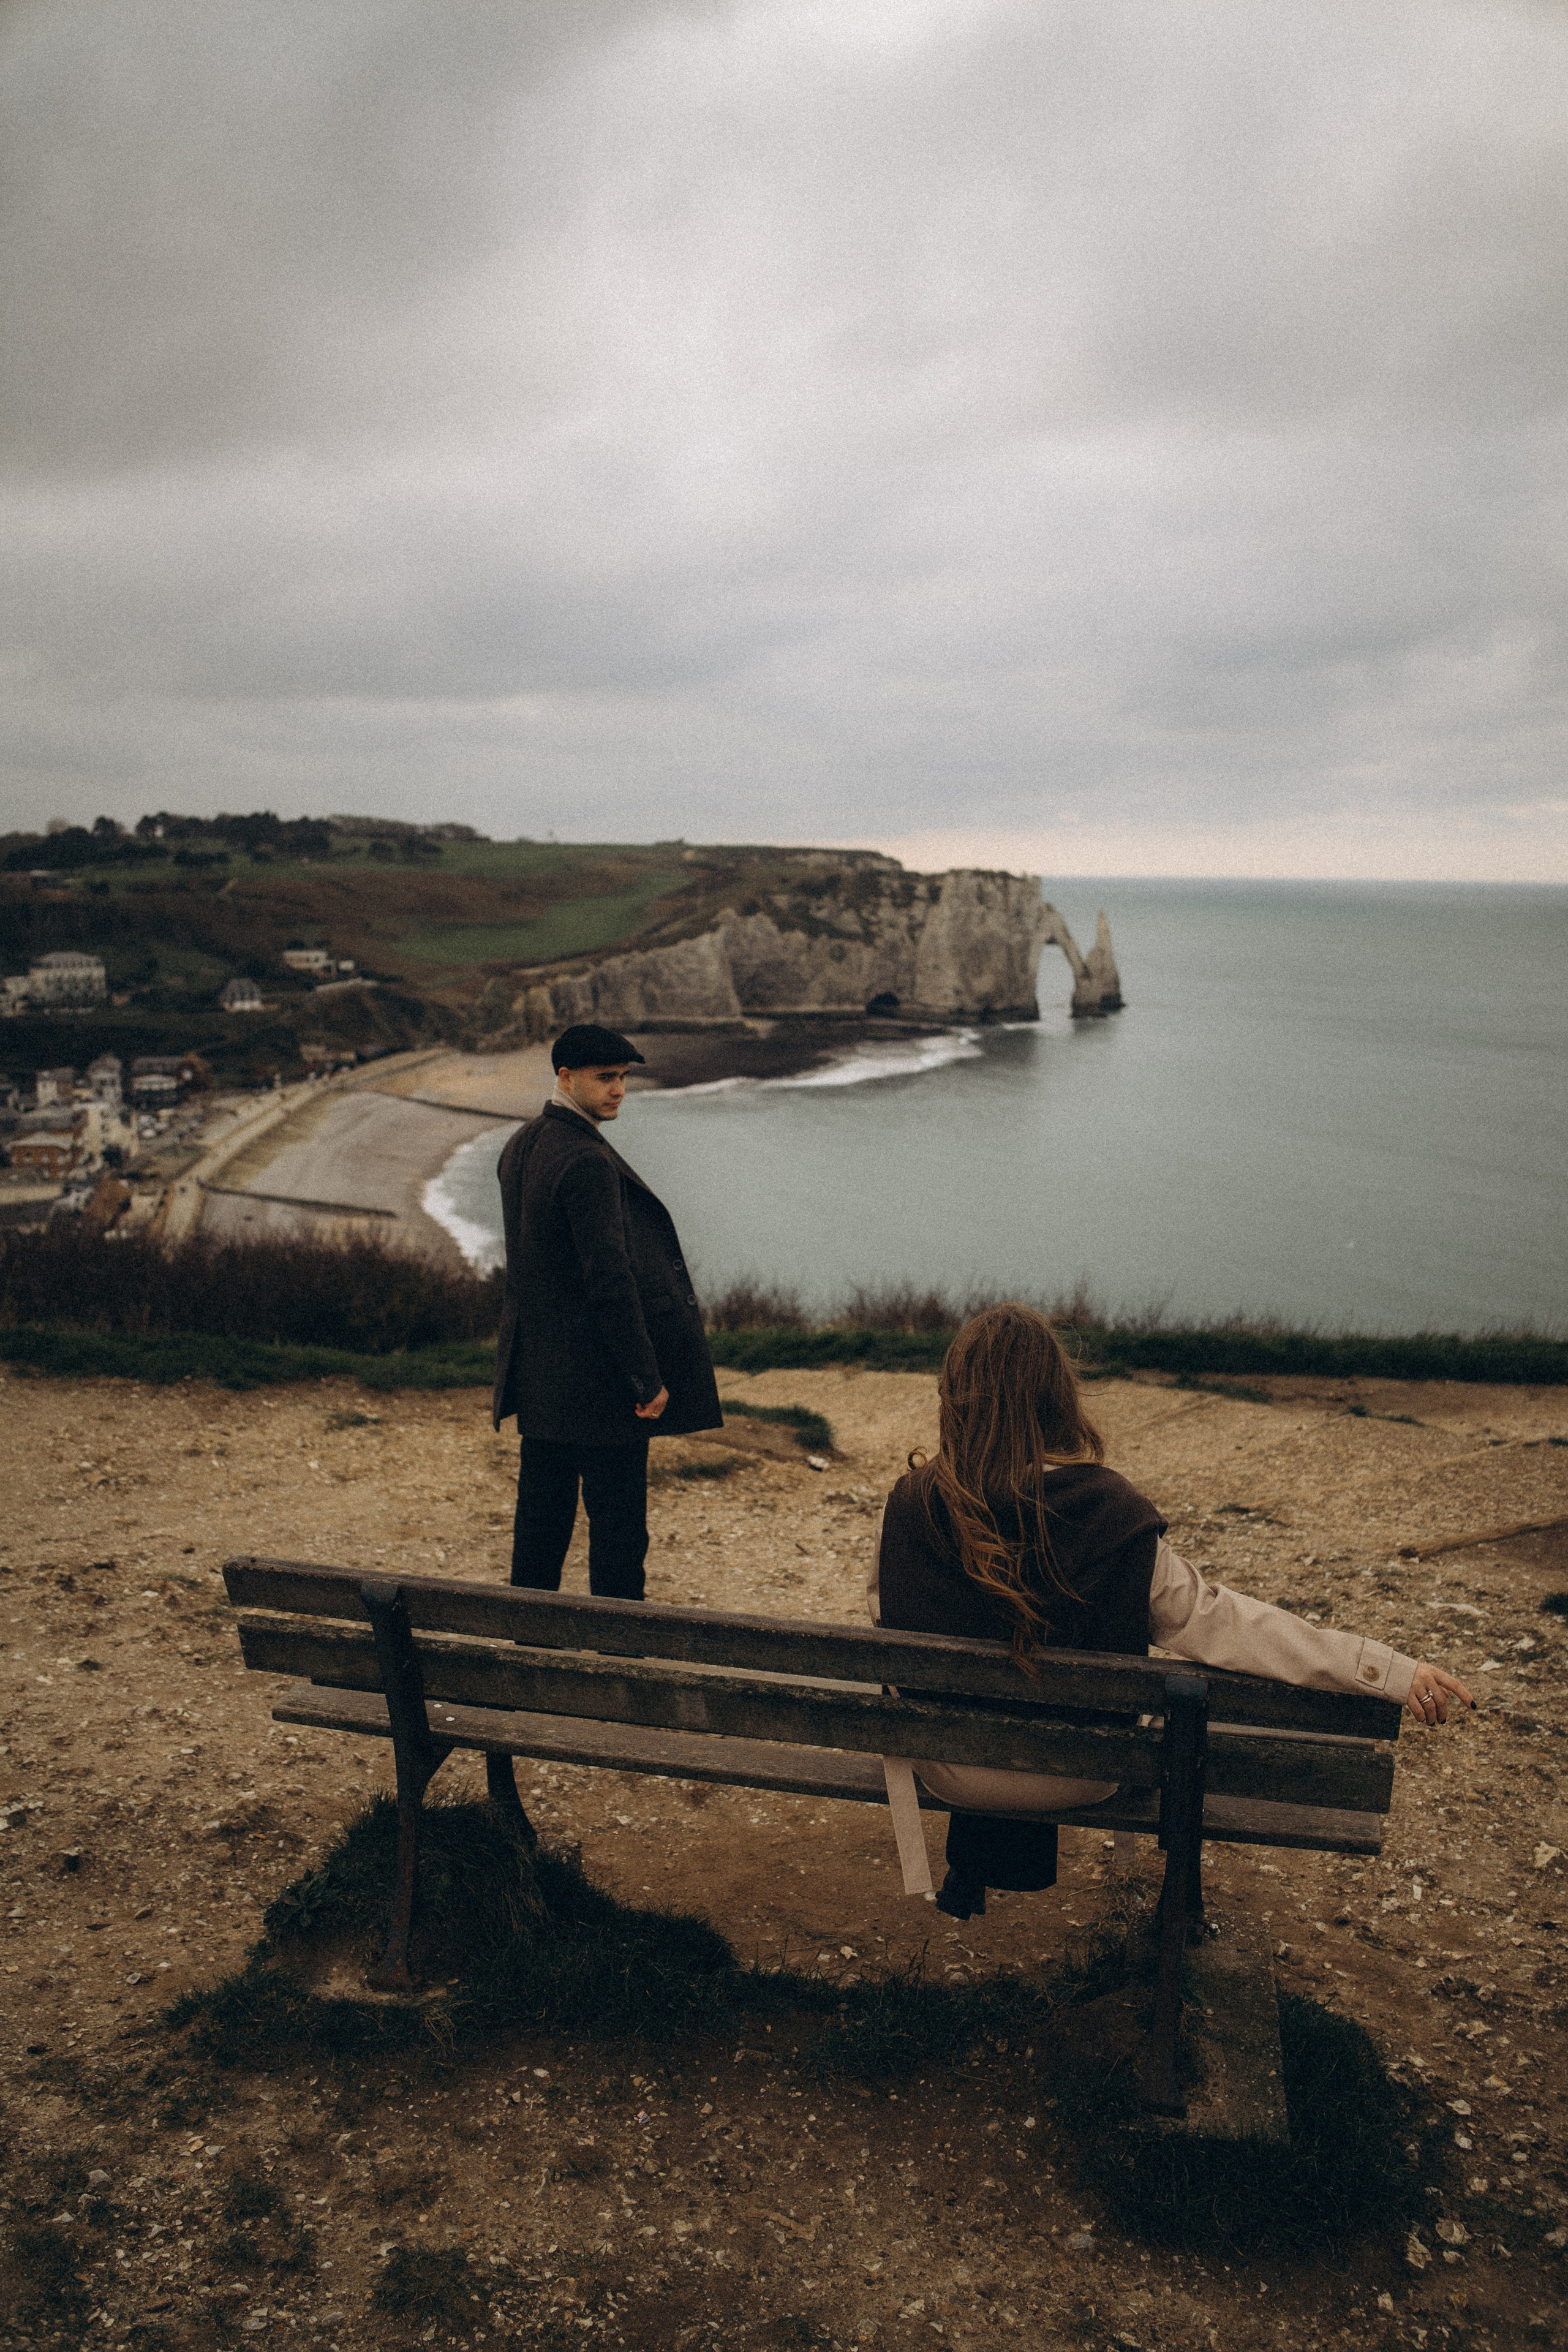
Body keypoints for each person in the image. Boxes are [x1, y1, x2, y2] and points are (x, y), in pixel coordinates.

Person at [870, 1303, 1474, 1918]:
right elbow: (1224, 1625)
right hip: (1083, 1772)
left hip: (951, 1769)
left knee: (993, 1705)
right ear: (1057, 1396)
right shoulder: (1109, 1513)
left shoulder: (911, 1504)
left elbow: (888, 1622)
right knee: (1061, 1711)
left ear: (955, 1397)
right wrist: (1385, 1670)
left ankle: (969, 1871)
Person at [492, 1023, 722, 1599]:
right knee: (619, 1533)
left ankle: (532, 1653)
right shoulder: (586, 1159)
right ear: (565, 1077)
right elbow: (609, 1283)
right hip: (598, 1386)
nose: (619, 1090)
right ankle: (622, 1661)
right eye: (605, 1078)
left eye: (623, 1078)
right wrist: (646, 1379)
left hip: (540, 1376)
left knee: (540, 1528)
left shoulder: (521, 1145)